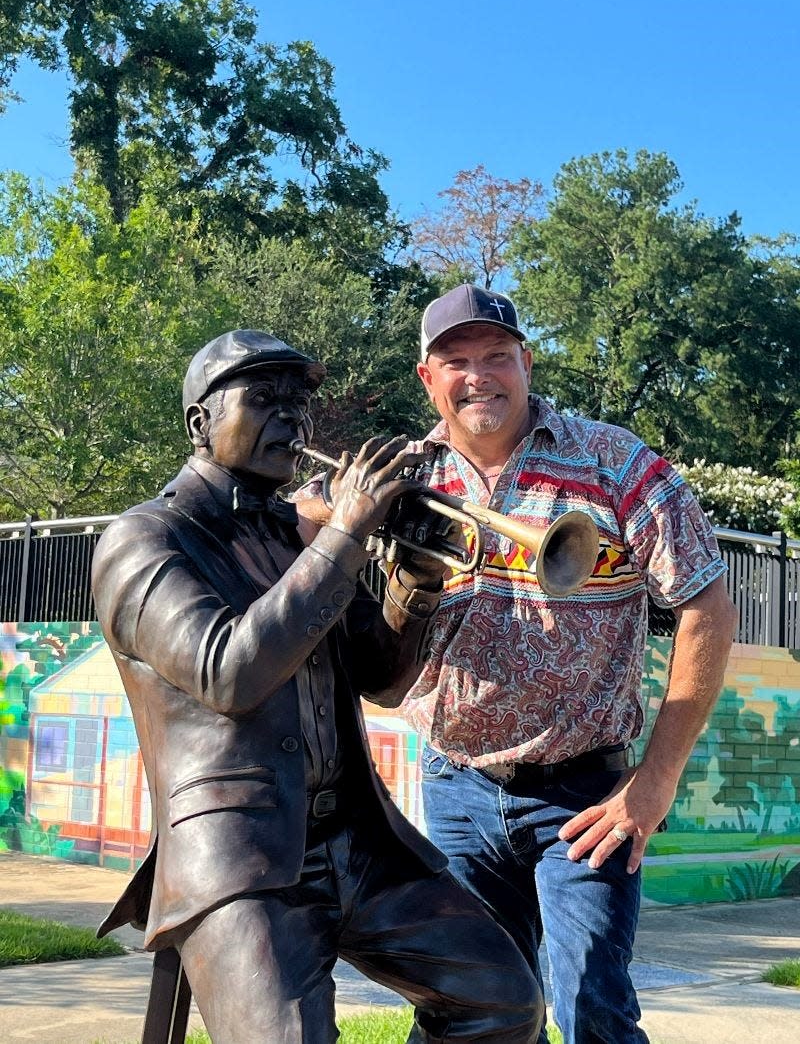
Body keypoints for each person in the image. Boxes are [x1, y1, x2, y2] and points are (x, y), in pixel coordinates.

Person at [294, 284, 737, 1044]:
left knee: (588, 1003)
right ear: (427, 378)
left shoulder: (613, 459)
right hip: (457, 787)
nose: (479, 375)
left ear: (526, 362)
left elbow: (708, 607)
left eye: (497, 355)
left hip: (586, 794)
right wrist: (347, 529)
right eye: (456, 360)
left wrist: (656, 778)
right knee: (468, 1006)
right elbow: (298, 521)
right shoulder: (401, 469)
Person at [91, 328, 542, 1044]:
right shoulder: (145, 539)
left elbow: (382, 680)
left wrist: (416, 580)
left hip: (357, 842)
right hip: (240, 859)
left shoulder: (293, 538)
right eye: (264, 398)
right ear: (200, 422)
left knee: (504, 999)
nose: (292, 419)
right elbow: (228, 671)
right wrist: (344, 536)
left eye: (299, 402)